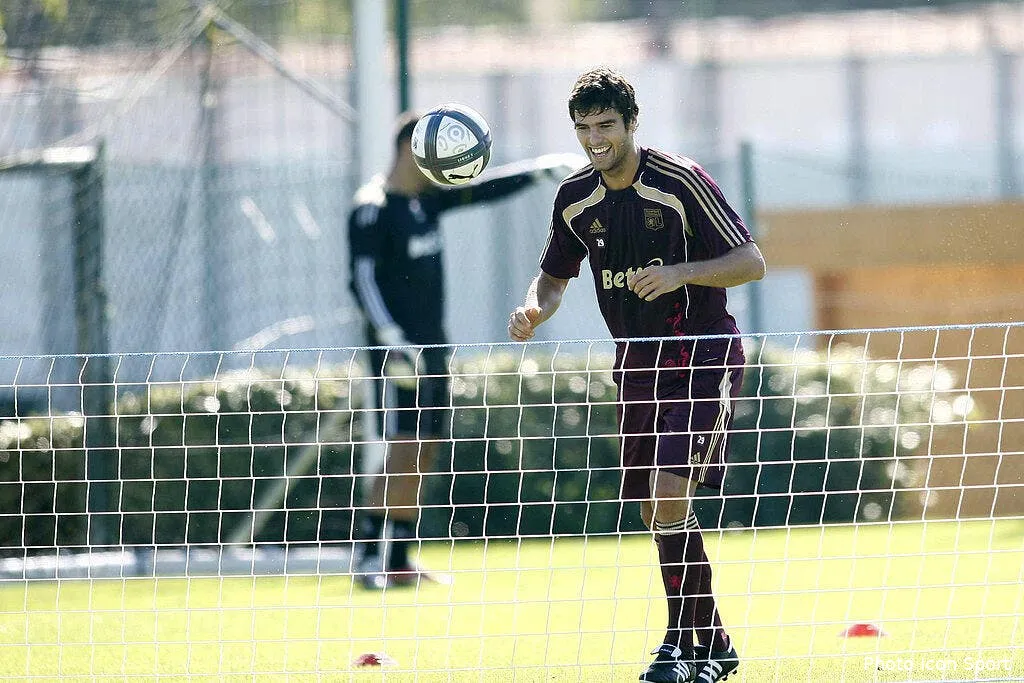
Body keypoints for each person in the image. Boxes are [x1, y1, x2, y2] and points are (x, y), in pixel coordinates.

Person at [508, 68, 765, 683]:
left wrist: (680, 273)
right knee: (657, 507)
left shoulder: (680, 182)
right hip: (638, 365)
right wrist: (536, 308)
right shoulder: (574, 199)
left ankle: (681, 643)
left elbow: (751, 262)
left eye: (606, 125)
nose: (595, 139)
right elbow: (554, 274)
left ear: (631, 124)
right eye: (584, 128)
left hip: (701, 356)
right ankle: (714, 645)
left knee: (671, 495)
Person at [348, 111, 580, 591]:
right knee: (404, 447)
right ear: (411, 149)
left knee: (426, 444)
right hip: (397, 352)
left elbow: (483, 189)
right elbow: (363, 279)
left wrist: (538, 170)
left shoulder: (425, 203)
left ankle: (396, 555)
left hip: (433, 348)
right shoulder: (372, 207)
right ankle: (374, 556)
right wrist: (390, 335)